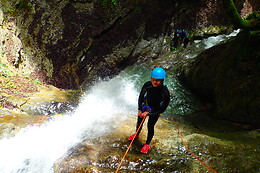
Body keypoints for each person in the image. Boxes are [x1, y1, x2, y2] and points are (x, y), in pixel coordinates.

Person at [128, 67, 170, 153]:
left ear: (162, 80)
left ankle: (147, 144)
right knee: (139, 120)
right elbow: (141, 96)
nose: (154, 82)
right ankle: (137, 134)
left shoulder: (165, 92)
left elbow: (162, 109)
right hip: (146, 104)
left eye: (157, 80)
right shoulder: (147, 84)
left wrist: (149, 114)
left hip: (156, 108)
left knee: (150, 125)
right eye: (153, 79)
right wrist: (140, 109)